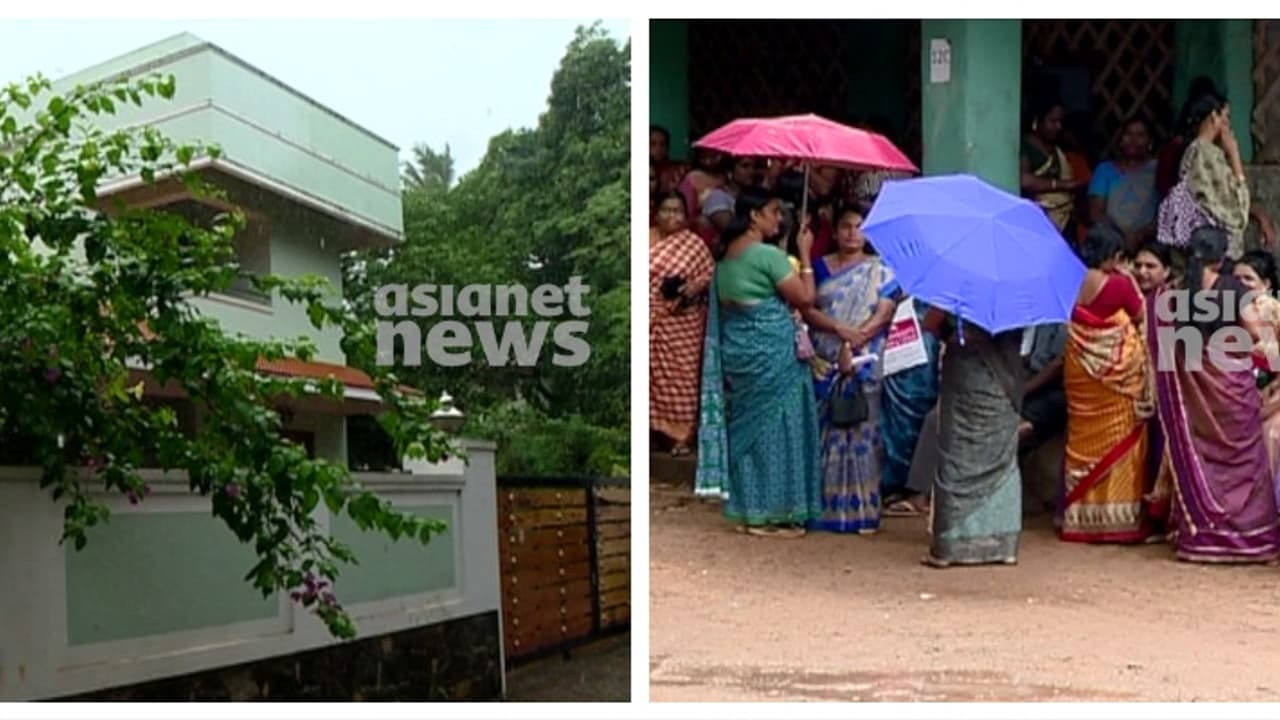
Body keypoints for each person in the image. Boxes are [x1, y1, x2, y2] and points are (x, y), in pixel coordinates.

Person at [694, 189, 823, 536]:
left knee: (751, 432)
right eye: (774, 212)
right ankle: (779, 511)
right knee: (783, 429)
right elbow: (806, 299)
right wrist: (806, 254)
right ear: (754, 216)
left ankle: (749, 510)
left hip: (739, 356)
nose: (779, 219)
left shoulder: (723, 257)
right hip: (774, 354)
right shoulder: (768, 255)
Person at [1153, 225, 1280, 563]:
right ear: (1222, 257)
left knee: (1204, 458)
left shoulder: (1177, 293)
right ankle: (1248, 542)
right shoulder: (1231, 288)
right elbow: (1255, 332)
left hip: (1197, 396)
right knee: (1246, 462)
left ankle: (1203, 539)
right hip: (1232, 390)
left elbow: (1166, 346)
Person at [801, 206, 900, 534]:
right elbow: (808, 308)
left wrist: (857, 338)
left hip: (865, 361)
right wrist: (841, 331)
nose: (852, 233)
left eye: (859, 227)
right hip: (825, 359)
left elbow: (884, 312)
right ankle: (824, 509)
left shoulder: (881, 269)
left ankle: (863, 511)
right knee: (825, 431)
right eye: (845, 226)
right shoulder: (820, 267)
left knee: (863, 431)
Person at [1060, 224, 1156, 543]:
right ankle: (1118, 521)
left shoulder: (1069, 281)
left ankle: (1079, 519)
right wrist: (1128, 278)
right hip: (1116, 384)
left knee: (1081, 438)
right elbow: (1142, 317)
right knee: (1123, 439)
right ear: (1114, 256)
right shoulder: (1119, 286)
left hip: (1079, 374)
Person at [920, 309, 1026, 567]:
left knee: (958, 456)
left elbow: (930, 323)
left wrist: (956, 334)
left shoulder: (958, 282)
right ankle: (1003, 547)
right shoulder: (1020, 294)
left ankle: (949, 548)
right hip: (1004, 382)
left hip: (965, 376)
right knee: (1001, 457)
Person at [650, 192, 716, 457]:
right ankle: (655, 434)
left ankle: (681, 437)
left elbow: (709, 274)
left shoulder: (694, 245)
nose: (672, 216)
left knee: (683, 381)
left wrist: (689, 289)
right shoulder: (645, 238)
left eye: (678, 211)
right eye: (666, 210)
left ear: (686, 216)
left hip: (683, 324)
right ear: (656, 212)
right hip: (650, 321)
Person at [880, 295, 941, 516]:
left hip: (920, 343)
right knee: (891, 418)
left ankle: (913, 488)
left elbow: (939, 309)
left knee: (917, 413)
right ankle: (890, 485)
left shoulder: (938, 269)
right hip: (893, 340)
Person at [1132, 240, 1176, 529]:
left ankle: (1161, 516)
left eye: (1151, 266)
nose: (1143, 272)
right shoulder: (1128, 298)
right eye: (1138, 265)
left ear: (1167, 270)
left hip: (1166, 387)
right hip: (1133, 387)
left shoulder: (1172, 300)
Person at [1089, 117, 1160, 254]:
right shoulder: (1105, 170)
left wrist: (1141, 235)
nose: (1133, 140)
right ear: (1120, 140)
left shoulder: (1158, 170)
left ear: (1150, 141)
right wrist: (1121, 236)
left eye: (1140, 135)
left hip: (1151, 244)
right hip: (1110, 244)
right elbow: (1096, 212)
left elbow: (1165, 212)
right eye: (1128, 134)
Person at [1021, 97, 1083, 237]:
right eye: (1053, 121)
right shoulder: (1025, 147)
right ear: (1037, 121)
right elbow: (1024, 180)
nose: (1058, 127)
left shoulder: (1057, 151)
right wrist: (1062, 185)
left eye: (1061, 122)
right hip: (1035, 218)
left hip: (1063, 218)